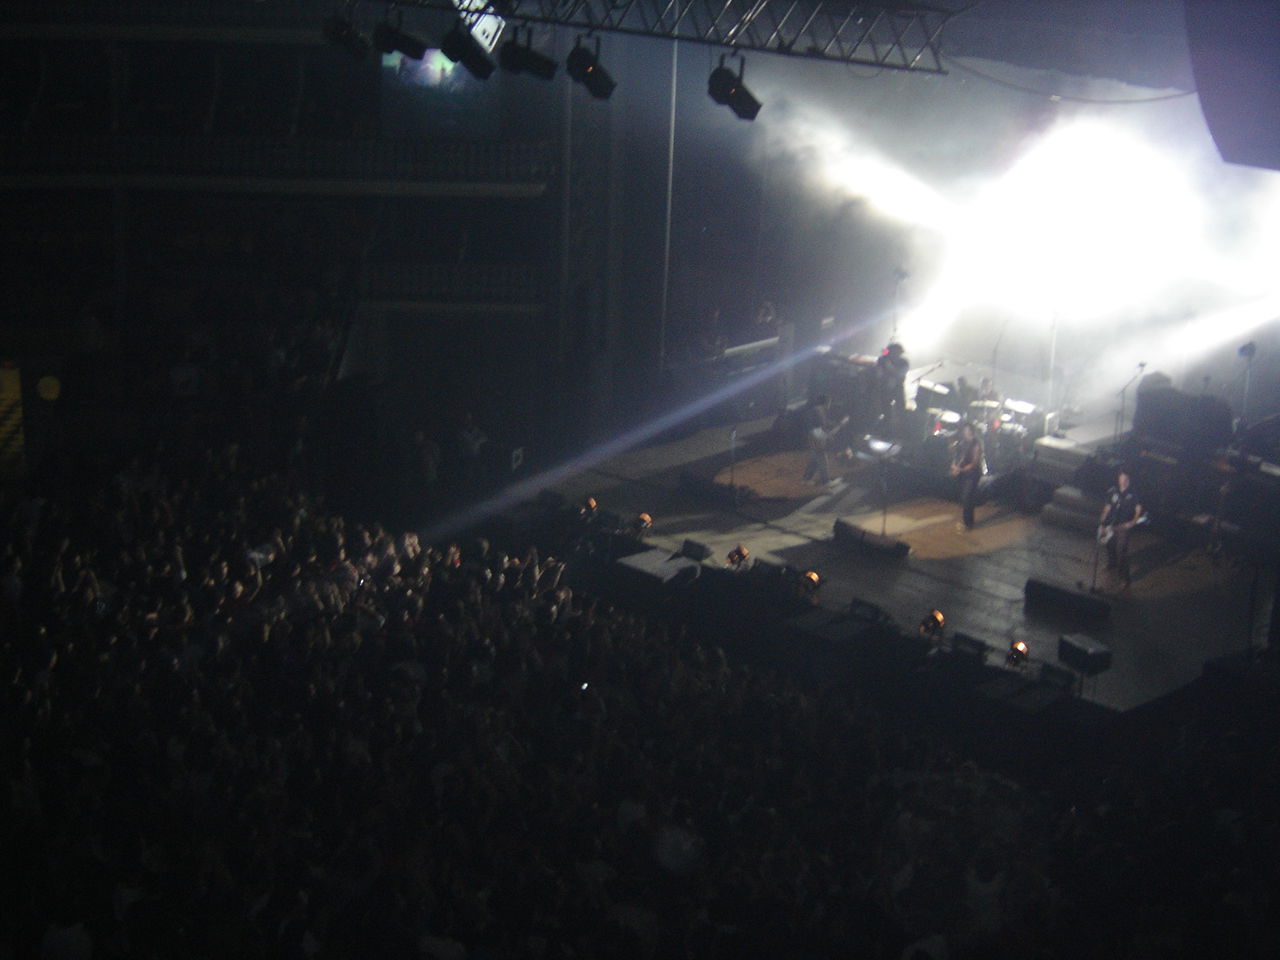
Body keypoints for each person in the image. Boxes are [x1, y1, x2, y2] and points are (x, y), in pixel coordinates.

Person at [1099, 469, 1143, 588]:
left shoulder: (1134, 493)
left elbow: (1138, 510)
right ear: (1118, 479)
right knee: (1109, 544)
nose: (1124, 482)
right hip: (1111, 524)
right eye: (1122, 479)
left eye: (1126, 479)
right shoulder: (1112, 491)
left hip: (1124, 526)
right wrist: (1102, 523)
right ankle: (1112, 563)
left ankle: (1125, 578)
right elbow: (1107, 508)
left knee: (1122, 551)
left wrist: (1133, 522)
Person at [803, 395, 848, 486]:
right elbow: (821, 429)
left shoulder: (816, 410)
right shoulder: (818, 411)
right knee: (822, 459)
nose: (830, 405)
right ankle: (826, 481)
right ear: (826, 403)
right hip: (817, 438)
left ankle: (806, 479)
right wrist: (840, 424)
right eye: (829, 402)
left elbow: (824, 424)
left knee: (814, 459)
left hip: (814, 438)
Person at [950, 421, 985, 530]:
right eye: (963, 430)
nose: (964, 432)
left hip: (973, 474)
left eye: (966, 430)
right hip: (964, 473)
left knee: (967, 497)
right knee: (965, 497)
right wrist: (955, 467)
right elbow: (961, 457)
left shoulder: (976, 443)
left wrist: (960, 469)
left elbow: (975, 462)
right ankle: (968, 522)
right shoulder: (963, 442)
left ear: (971, 431)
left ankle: (968, 524)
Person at [874, 343, 910, 429]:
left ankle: (901, 428)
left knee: (901, 408)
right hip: (884, 388)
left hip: (898, 388)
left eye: (897, 352)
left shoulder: (904, 362)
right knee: (885, 408)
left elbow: (898, 374)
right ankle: (885, 427)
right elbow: (879, 374)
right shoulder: (882, 360)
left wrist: (888, 364)